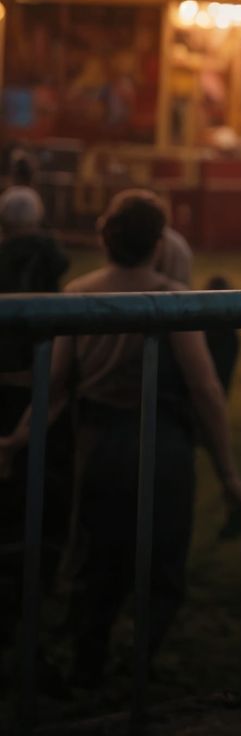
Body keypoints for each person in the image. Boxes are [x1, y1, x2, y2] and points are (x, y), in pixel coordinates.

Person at [0, 190, 241, 685]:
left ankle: (88, 662)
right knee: (162, 561)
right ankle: (140, 663)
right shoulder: (173, 300)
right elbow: (204, 387)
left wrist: (18, 438)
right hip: (164, 447)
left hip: (99, 445)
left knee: (95, 559)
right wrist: (228, 474)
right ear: (159, 242)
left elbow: (56, 388)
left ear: (106, 237)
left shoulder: (78, 295)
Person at [0, 184, 71, 657]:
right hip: (43, 388)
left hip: (4, 385)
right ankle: (35, 589)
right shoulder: (53, 258)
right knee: (41, 492)